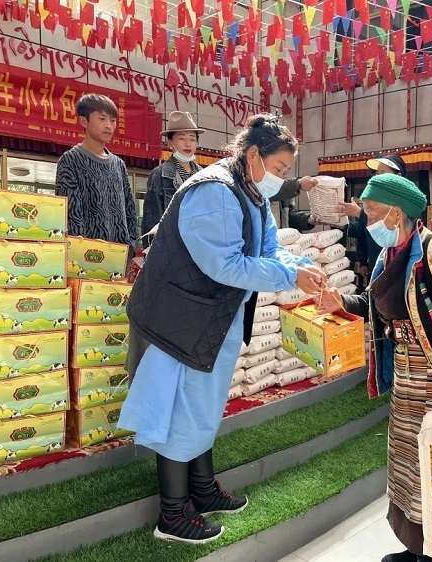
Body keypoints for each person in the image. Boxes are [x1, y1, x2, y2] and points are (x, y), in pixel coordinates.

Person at [120, 114, 328, 545]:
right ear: (253, 155)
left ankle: (202, 488)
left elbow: (268, 248)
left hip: (211, 315)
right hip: (179, 318)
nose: (281, 178)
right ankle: (172, 513)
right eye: (279, 168)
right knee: (181, 410)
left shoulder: (252, 192)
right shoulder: (214, 191)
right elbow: (224, 264)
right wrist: (289, 276)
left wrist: (299, 265)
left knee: (204, 405)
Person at [318, 173, 432, 562]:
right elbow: (377, 304)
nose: (367, 219)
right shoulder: (390, 254)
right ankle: (416, 546)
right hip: (406, 376)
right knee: (408, 463)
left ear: (396, 211)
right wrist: (343, 303)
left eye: (372, 210)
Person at [55, 93, 137, 252]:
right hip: (87, 256)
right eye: (102, 119)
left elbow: (129, 209)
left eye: (112, 120)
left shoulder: (119, 164)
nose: (108, 125)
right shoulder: (70, 160)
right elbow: (71, 214)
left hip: (120, 255)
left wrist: (131, 245)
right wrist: (81, 251)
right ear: (83, 121)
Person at [338, 154, 408, 280]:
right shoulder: (374, 201)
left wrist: (360, 213)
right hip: (376, 267)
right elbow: (363, 231)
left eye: (382, 173)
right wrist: (341, 222)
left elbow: (392, 228)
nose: (377, 177)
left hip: (397, 270)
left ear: (398, 176)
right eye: (376, 173)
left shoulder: (405, 200)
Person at [142, 112, 205, 241]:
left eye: (192, 139)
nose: (188, 144)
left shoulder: (204, 175)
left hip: (199, 244)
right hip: (171, 244)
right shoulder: (159, 174)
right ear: (170, 143)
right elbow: (151, 219)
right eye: (182, 139)